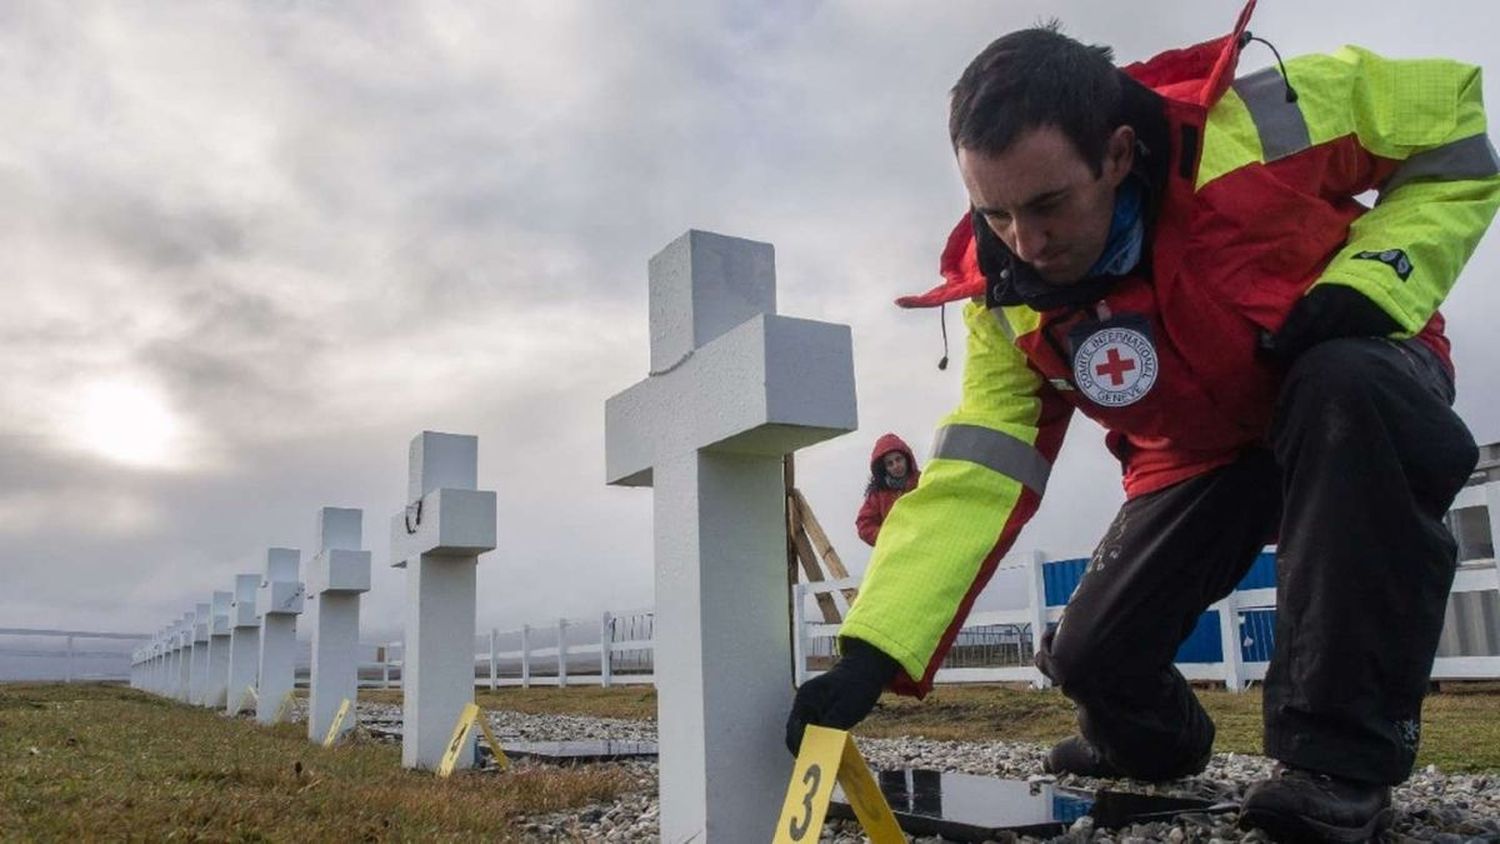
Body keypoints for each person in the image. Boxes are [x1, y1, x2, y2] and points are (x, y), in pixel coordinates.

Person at [785, 1, 1499, 839]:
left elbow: (1451, 117)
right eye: (997, 213)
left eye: (1049, 203)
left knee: (1345, 387)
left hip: (1346, 381)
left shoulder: (1256, 125)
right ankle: (1155, 746)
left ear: (1117, 153)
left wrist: (1377, 278)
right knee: (1090, 655)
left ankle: (1336, 765)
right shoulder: (1003, 298)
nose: (1026, 241)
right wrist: (873, 650)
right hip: (1196, 453)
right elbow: (982, 469)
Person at [856, 433, 921, 546]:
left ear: (907, 459)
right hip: (895, 553)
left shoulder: (923, 482)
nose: (896, 465)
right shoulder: (878, 494)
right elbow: (864, 524)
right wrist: (888, 538)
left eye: (898, 459)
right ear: (884, 468)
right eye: (890, 463)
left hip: (924, 545)